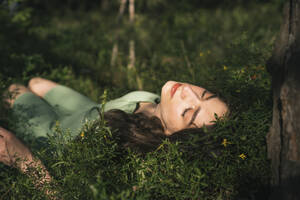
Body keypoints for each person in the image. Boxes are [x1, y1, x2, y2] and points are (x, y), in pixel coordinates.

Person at [0, 77, 228, 193]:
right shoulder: (153, 100)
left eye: (188, 111)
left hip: (53, 136)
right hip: (92, 111)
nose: (187, 91)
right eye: (204, 94)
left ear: (174, 137)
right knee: (36, 83)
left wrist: (28, 162)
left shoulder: (128, 150)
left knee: (14, 89)